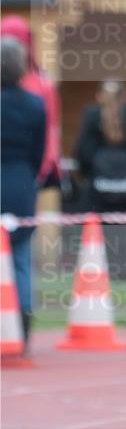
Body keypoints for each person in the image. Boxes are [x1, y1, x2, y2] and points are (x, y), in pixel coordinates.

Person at [73, 81, 126, 324]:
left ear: (99, 97)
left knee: (95, 249)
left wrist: (98, 177)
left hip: (97, 198)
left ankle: (96, 303)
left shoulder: (90, 119)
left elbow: (81, 157)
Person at [1, 36, 47, 351]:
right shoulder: (35, 103)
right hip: (20, 184)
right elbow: (38, 151)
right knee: (19, 259)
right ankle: (23, 328)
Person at [0, 15, 62, 189]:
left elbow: (50, 128)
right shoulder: (42, 83)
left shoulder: (43, 83)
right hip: (23, 171)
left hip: (27, 168)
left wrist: (44, 167)